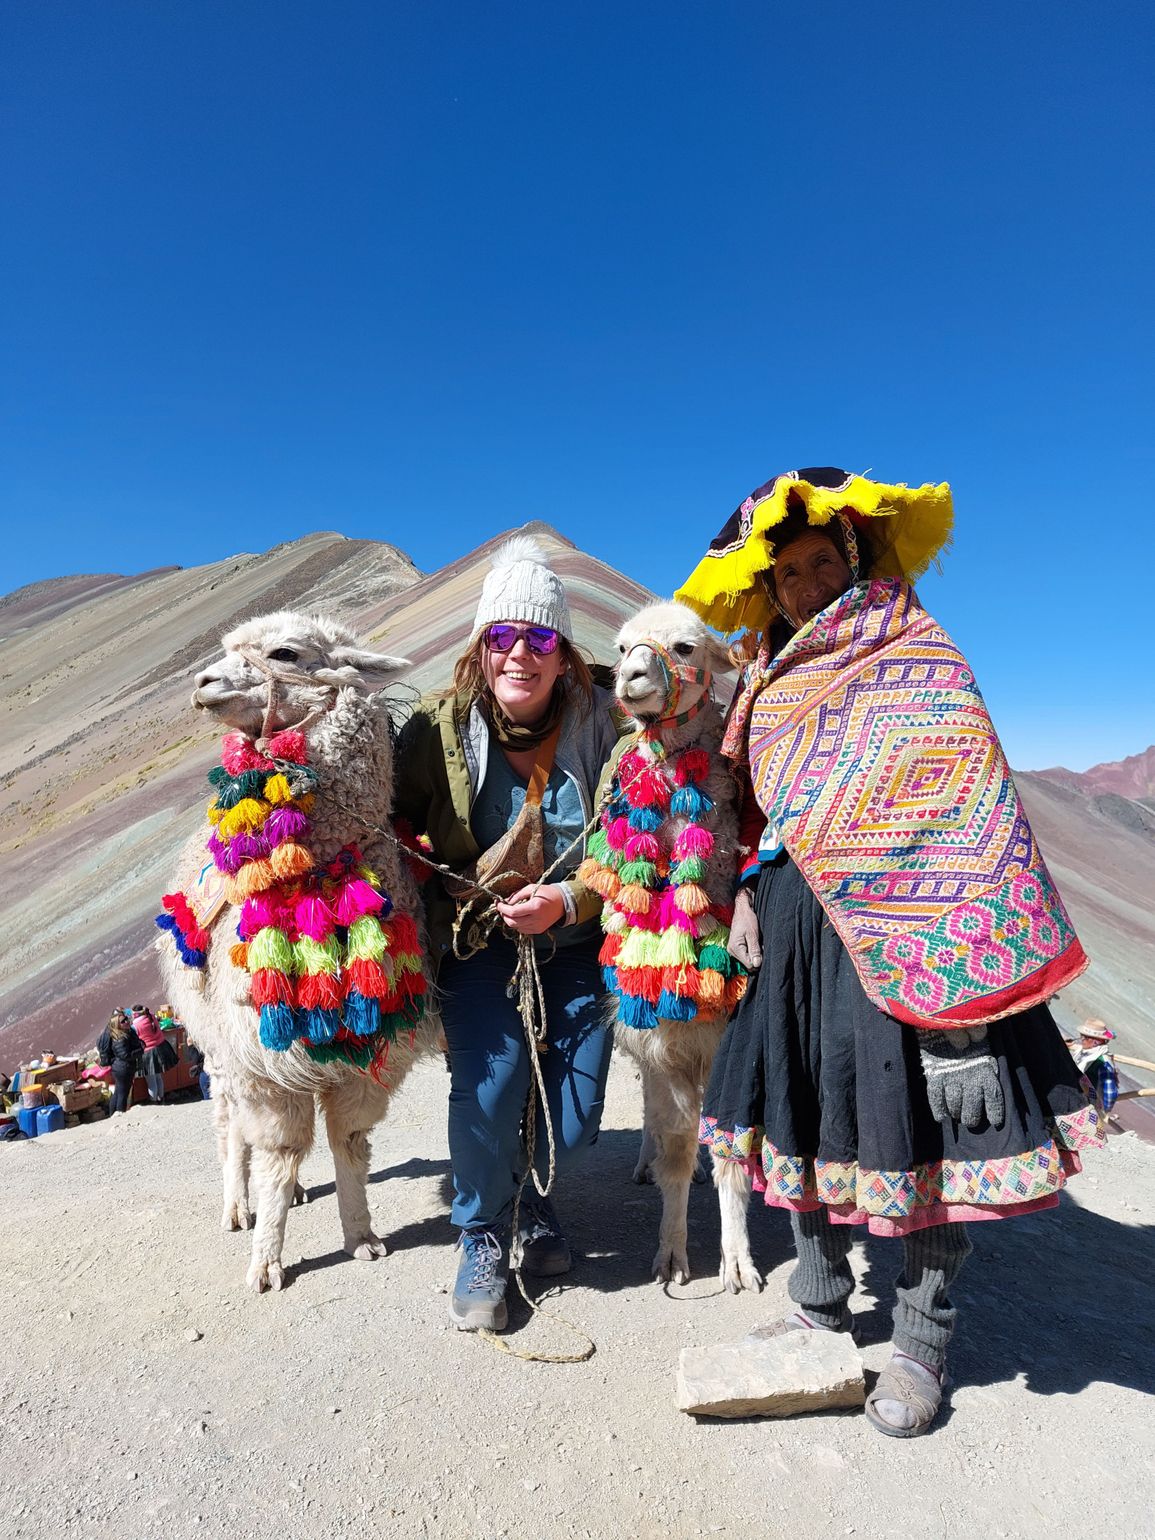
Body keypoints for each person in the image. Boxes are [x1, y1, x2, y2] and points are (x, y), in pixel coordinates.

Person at [677, 468, 1103, 1438]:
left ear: (859, 562)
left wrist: (970, 1023)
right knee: (810, 1113)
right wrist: (748, 888)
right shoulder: (769, 683)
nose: (805, 584)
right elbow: (761, 809)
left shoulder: (918, 659)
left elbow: (969, 820)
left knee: (920, 1138)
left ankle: (920, 1340)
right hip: (794, 933)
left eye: (824, 562)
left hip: (919, 945)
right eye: (785, 572)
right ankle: (818, 1299)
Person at [394, 536, 625, 1333]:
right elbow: (388, 813)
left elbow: (632, 839)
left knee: (574, 1115)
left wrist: (566, 900)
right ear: (479, 649)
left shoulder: (605, 722)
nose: (519, 653)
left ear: (564, 652)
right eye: (501, 637)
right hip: (476, 941)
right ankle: (484, 1232)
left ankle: (529, 1198)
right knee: (490, 1089)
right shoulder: (436, 729)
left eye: (538, 637)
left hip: (573, 944)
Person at [97, 1010, 144, 1114]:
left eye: (126, 1019)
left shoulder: (124, 1035)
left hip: (120, 1068)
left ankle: (112, 1114)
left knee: (118, 1092)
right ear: (117, 1025)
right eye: (123, 1021)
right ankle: (119, 1114)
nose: (127, 1021)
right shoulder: (120, 1039)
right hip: (124, 1069)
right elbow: (125, 1055)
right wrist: (140, 1050)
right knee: (123, 1093)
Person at [131, 1005, 179, 1104]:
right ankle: (161, 1099)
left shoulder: (136, 1025)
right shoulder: (151, 1017)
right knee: (158, 1077)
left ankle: (154, 1102)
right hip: (160, 1048)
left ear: (135, 1014)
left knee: (151, 1082)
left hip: (148, 1053)